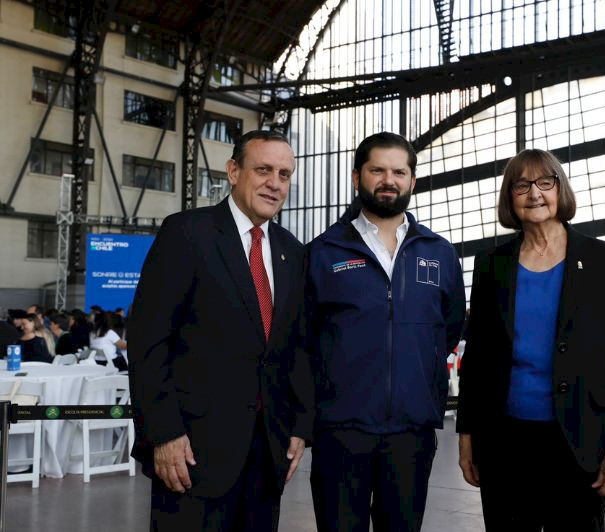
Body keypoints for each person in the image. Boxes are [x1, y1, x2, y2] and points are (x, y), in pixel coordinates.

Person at [129, 130, 314, 531]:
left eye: (284, 174)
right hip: (192, 453)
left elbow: (295, 346)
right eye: (263, 170)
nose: (274, 183)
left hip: (267, 455)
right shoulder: (186, 233)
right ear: (233, 171)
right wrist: (164, 434)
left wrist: (299, 428)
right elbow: (149, 340)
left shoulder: (293, 252)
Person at [457, 148, 605, 531]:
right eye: (521, 185)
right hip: (504, 442)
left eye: (545, 182)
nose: (534, 193)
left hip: (578, 441)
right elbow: (475, 359)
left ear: (561, 190)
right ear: (510, 197)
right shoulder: (491, 264)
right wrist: (466, 436)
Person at [304, 132, 465, 532]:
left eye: (399, 171)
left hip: (412, 432)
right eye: (377, 170)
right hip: (341, 430)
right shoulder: (323, 252)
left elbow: (449, 328)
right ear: (357, 176)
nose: (388, 180)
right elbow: (303, 339)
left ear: (412, 180)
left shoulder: (439, 252)